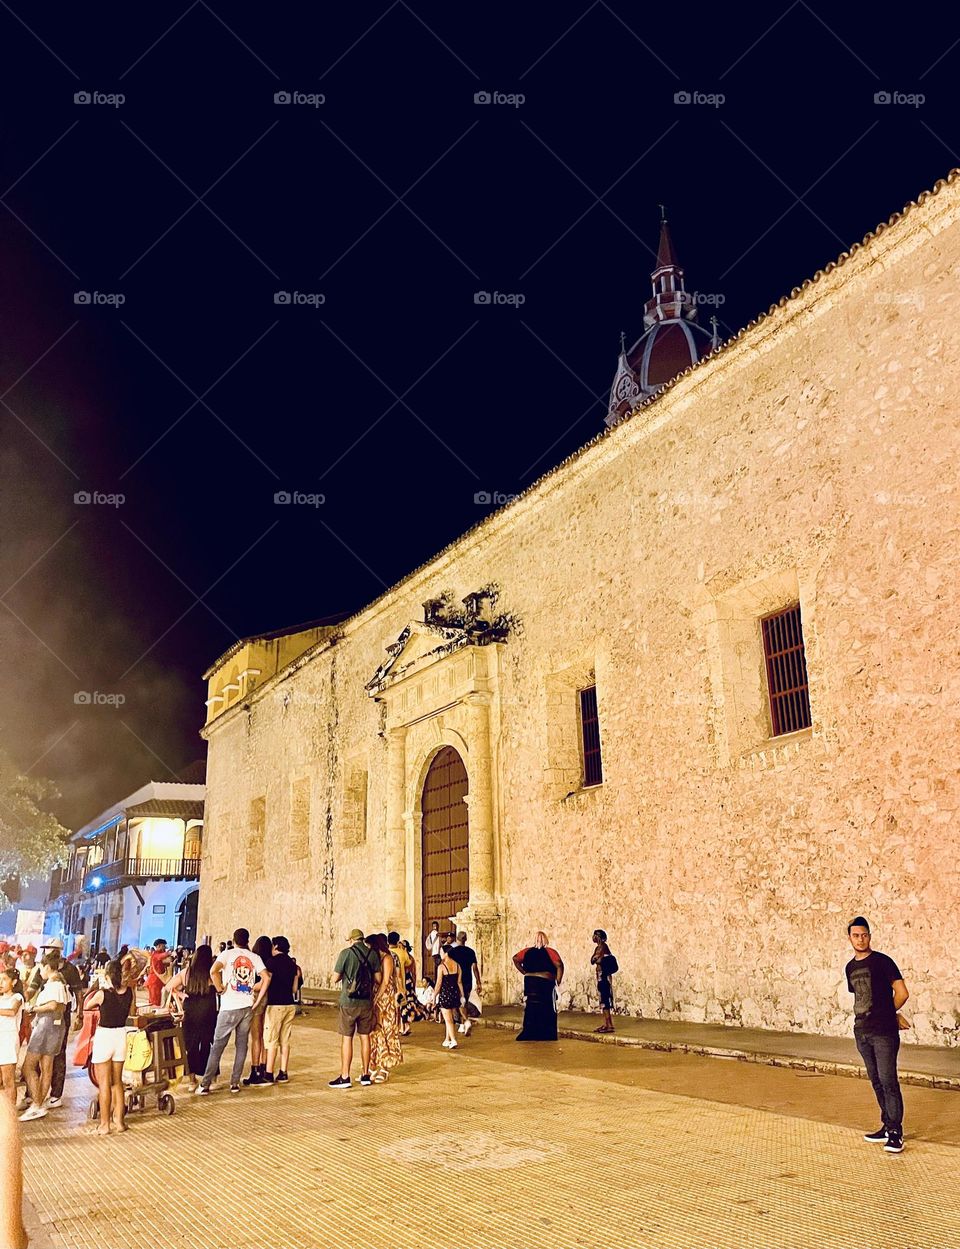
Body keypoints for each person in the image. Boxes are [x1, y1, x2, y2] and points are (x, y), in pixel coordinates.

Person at [845, 916, 909, 1154]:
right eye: (855, 935)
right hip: (862, 1031)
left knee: (888, 1080)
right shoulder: (850, 967)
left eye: (864, 935)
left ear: (869, 936)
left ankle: (895, 1133)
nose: (860, 939)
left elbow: (902, 992)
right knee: (876, 1081)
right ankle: (886, 1124)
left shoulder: (883, 962)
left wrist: (890, 1013)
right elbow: (861, 997)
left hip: (884, 1032)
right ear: (850, 938)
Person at [196, 928, 270, 1096]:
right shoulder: (254, 957)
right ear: (247, 940)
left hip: (229, 1007)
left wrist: (219, 988)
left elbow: (213, 971)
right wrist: (257, 1000)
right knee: (241, 1045)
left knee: (217, 1047)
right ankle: (234, 1083)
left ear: (234, 940)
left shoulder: (227, 954)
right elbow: (266, 977)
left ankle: (205, 1084)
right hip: (247, 1007)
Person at [84, 959, 135, 1134]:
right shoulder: (129, 992)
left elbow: (87, 1005)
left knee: (104, 1083)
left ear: (108, 976)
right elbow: (132, 1011)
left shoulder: (102, 994)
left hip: (104, 1036)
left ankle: (104, 1124)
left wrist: (98, 989)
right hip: (121, 1035)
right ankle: (119, 1122)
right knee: (118, 1082)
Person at [329, 928, 381, 1089]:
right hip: (366, 1002)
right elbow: (378, 978)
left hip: (349, 1002)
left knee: (347, 1038)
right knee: (365, 1037)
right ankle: (366, 1074)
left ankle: (345, 1076)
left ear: (351, 940)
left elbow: (335, 978)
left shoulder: (346, 953)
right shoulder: (372, 954)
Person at [19, 953, 69, 1120]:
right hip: (55, 1027)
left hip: (45, 1027)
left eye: (41, 968)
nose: (40, 971)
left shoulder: (54, 984)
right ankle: (39, 1104)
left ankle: (36, 1103)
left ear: (47, 967)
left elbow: (54, 1005)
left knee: (28, 1067)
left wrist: (33, 1009)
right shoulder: (60, 984)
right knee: (46, 1067)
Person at [166, 944, 217, 1090]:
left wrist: (182, 995)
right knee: (209, 1044)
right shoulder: (212, 973)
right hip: (208, 1011)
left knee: (191, 1045)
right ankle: (211, 1078)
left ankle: (191, 1080)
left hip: (191, 1011)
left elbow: (169, 987)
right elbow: (220, 988)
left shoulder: (186, 973)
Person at [262, 935, 300, 1085]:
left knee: (272, 1039)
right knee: (285, 1039)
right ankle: (283, 1072)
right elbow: (294, 989)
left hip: (275, 1004)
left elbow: (267, 981)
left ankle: (269, 1073)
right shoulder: (292, 964)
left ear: (276, 946)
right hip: (289, 1005)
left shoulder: (271, 962)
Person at [512, 932, 563, 1042]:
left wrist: (525, 972)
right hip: (544, 983)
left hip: (530, 983)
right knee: (547, 1007)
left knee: (531, 1007)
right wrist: (557, 981)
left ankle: (530, 1032)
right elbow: (559, 964)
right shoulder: (550, 952)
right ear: (546, 940)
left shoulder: (526, 951)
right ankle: (546, 1034)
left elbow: (515, 959)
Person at [366, 933, 403, 1082]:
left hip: (385, 999)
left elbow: (386, 981)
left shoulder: (387, 958)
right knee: (375, 1032)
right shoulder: (375, 959)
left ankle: (384, 1067)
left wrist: (377, 998)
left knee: (386, 1031)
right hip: (376, 997)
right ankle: (373, 1064)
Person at [243, 935, 274, 1086]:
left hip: (256, 999)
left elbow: (261, 982)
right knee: (264, 1036)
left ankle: (255, 1070)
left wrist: (247, 987)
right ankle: (263, 1066)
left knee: (256, 1036)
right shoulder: (270, 962)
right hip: (269, 1000)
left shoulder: (255, 961)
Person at [450, 931, 482, 1036]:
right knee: (464, 1001)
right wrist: (478, 982)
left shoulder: (452, 952)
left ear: (457, 939)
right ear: (466, 939)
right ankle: (462, 1024)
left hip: (456, 980)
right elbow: (475, 968)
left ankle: (465, 1021)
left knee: (458, 1002)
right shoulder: (470, 952)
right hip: (468, 980)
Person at [0, 968, 24, 1106]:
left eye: (4, 979)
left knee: (8, 1079)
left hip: (8, 1040)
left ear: (13, 982)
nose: (1, 983)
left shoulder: (17, 997)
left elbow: (12, 1011)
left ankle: (10, 1112)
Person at [434, 943, 464, 1049]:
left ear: (446, 953)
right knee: (449, 1017)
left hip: (445, 995)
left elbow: (438, 984)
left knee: (448, 1020)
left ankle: (454, 1040)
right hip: (454, 994)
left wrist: (434, 996)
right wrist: (462, 996)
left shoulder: (442, 967)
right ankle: (447, 1039)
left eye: (441, 951)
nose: (440, 953)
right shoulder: (457, 965)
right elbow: (459, 982)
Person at [590, 929, 617, 1033]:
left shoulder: (603, 947)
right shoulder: (598, 948)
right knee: (602, 1000)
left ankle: (609, 1025)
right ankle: (607, 1023)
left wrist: (597, 958)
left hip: (604, 976)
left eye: (595, 935)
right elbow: (592, 960)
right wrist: (596, 958)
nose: (593, 937)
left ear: (598, 937)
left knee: (605, 1000)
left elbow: (599, 960)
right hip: (600, 975)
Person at [145, 939, 173, 1007]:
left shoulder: (157, 955)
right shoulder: (155, 955)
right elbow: (161, 956)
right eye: (163, 946)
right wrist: (169, 953)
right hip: (154, 981)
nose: (164, 948)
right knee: (154, 1002)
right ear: (159, 946)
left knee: (157, 1000)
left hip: (158, 981)